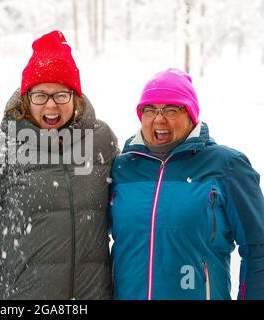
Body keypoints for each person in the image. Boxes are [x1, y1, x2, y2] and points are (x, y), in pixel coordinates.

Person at [0, 30, 119, 300]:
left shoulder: (101, 141)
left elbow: (133, 196)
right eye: (40, 95)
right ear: (26, 98)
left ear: (75, 97)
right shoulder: (3, 147)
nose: (51, 105)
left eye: (61, 95)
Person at [109, 68, 264, 300]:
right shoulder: (122, 168)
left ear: (191, 115)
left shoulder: (226, 166)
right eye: (149, 110)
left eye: (172, 109)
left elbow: (258, 247)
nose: (159, 119)